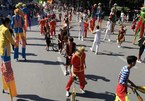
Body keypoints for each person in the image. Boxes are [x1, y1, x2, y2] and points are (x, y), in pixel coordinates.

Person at [0, 17, 17, 101]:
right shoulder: (6, 30)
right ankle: (11, 92)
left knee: (3, 69)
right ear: (7, 23)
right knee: (8, 71)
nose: (10, 24)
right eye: (9, 23)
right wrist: (15, 44)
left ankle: (5, 87)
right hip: (6, 52)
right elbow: (11, 40)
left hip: (2, 51)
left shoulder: (1, 27)